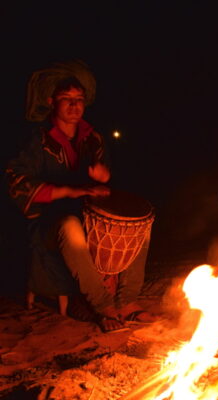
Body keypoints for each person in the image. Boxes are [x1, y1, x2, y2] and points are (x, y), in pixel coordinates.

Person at [6, 61, 155, 332]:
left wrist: (103, 177)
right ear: (52, 101)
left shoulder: (93, 138)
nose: (75, 106)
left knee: (141, 224)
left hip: (87, 214)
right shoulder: (37, 139)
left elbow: (104, 175)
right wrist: (71, 190)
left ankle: (127, 301)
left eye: (79, 100)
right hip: (49, 222)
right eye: (67, 100)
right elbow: (16, 181)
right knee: (71, 227)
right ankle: (103, 306)